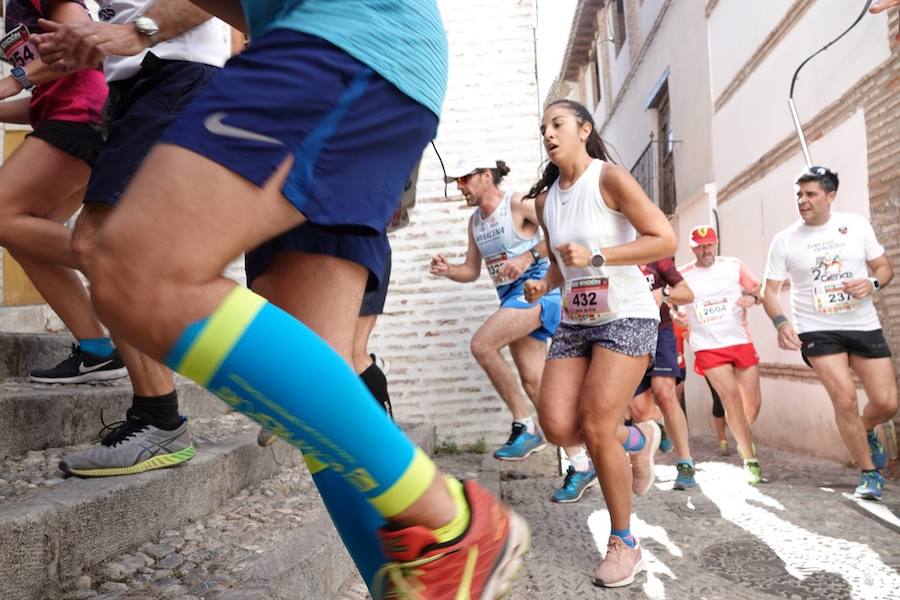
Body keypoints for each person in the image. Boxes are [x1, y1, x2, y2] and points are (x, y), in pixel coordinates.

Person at [40, 1, 530, 597]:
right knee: (322, 406)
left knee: (132, 267)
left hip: (343, 42)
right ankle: (423, 579)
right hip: (365, 58)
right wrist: (132, 30)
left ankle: (459, 525)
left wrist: (132, 29)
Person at [35, 0, 232, 477]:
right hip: (142, 87)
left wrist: (137, 32)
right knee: (132, 258)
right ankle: (162, 414)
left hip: (174, 77)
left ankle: (162, 418)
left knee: (101, 248)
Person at [524, 99, 677, 587]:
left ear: (584, 130)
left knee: (594, 422)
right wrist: (542, 283)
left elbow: (664, 238)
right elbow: (564, 262)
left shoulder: (608, 178)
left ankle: (625, 543)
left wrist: (599, 254)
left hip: (627, 314)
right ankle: (639, 438)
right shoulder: (547, 200)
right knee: (558, 427)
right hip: (577, 320)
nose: (548, 134)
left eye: (558, 124)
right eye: (543, 128)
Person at [0, 0, 125, 384]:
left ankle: (138, 274)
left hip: (81, 117)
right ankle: (97, 351)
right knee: (27, 235)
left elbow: (83, 51)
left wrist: (14, 80)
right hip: (71, 116)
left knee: (3, 216)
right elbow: (46, 95)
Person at [763, 166, 897, 500]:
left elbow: (884, 268)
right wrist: (781, 323)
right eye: (799, 195)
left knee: (887, 402)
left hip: (862, 323)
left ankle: (864, 430)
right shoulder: (785, 241)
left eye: (810, 194)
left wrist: (872, 283)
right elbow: (769, 291)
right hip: (817, 328)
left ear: (830, 195)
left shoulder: (854, 227)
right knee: (844, 398)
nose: (802, 201)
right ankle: (869, 474)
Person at [679, 225, 764, 485]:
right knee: (731, 398)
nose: (706, 250)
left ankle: (741, 437)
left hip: (739, 339)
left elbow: (756, 290)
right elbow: (672, 302)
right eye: (700, 246)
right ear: (692, 248)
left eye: (709, 245)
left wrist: (751, 298)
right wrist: (677, 316)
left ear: (716, 244)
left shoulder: (733, 265)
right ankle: (750, 460)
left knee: (753, 403)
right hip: (707, 345)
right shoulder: (682, 274)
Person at [631, 258, 696, 490]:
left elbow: (687, 293)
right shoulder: (610, 258)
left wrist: (665, 293)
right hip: (628, 336)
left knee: (664, 393)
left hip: (660, 331)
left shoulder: (657, 260)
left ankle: (685, 464)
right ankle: (658, 426)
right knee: (638, 409)